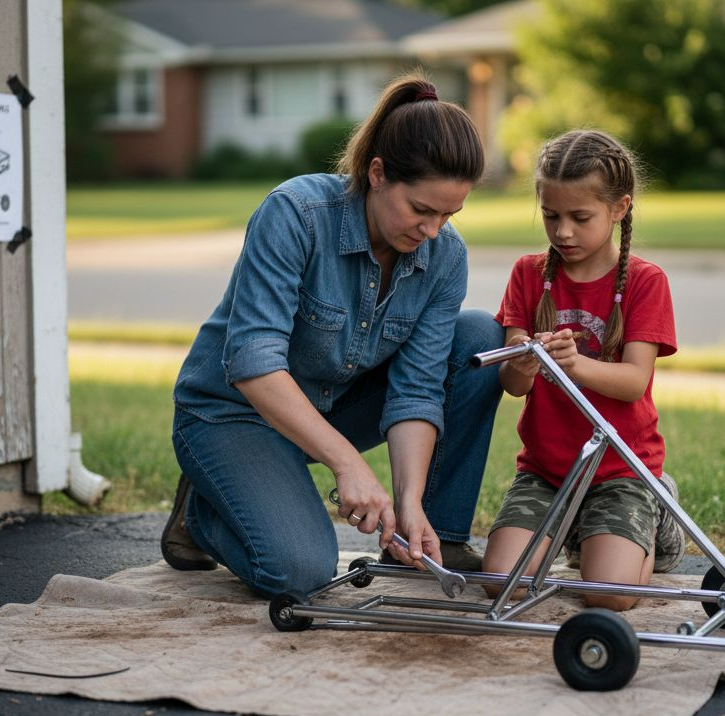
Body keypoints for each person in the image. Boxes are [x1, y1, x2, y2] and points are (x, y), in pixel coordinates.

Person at [164, 73, 505, 598]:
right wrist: (348, 463)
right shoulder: (296, 214)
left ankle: (430, 535)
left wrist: (408, 499)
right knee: (301, 571)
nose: (433, 230)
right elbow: (253, 362)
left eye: (449, 214)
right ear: (377, 173)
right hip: (230, 413)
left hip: (331, 405)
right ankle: (202, 513)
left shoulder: (445, 255)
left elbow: (416, 388)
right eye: (420, 209)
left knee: (479, 338)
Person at [482, 129, 684, 610]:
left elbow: (634, 382)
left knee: (608, 597)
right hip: (546, 471)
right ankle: (578, 531)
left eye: (580, 217)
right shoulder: (528, 275)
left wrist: (575, 365)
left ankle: (658, 513)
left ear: (619, 208)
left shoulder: (644, 281)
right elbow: (513, 386)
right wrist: (525, 363)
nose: (563, 232)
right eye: (551, 216)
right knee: (499, 583)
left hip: (620, 470)